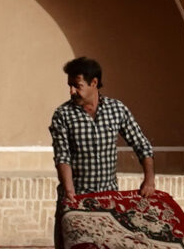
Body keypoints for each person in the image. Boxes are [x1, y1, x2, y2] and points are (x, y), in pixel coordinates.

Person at [49, 56, 158, 201]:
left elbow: (142, 145)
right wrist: (70, 192)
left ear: (94, 82)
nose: (72, 91)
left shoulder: (116, 109)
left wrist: (149, 180)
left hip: (109, 198)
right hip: (77, 198)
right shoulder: (62, 115)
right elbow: (62, 156)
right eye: (70, 86)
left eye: (77, 86)